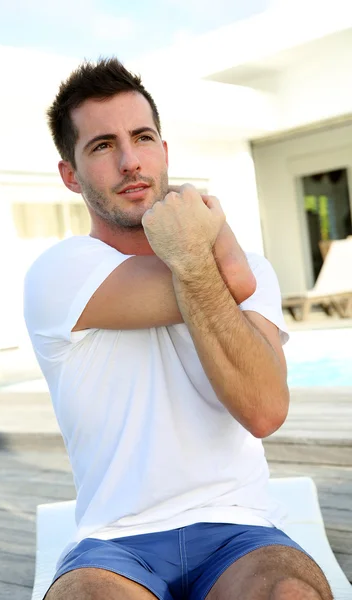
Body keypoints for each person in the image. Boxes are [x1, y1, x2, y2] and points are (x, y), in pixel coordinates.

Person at [24, 58, 333, 600]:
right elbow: (230, 278)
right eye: (101, 146)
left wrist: (203, 250)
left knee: (290, 593)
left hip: (241, 530)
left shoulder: (252, 268)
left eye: (142, 138)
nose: (129, 161)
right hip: (116, 543)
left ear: (164, 152)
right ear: (69, 174)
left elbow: (264, 410)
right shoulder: (59, 273)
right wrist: (208, 227)